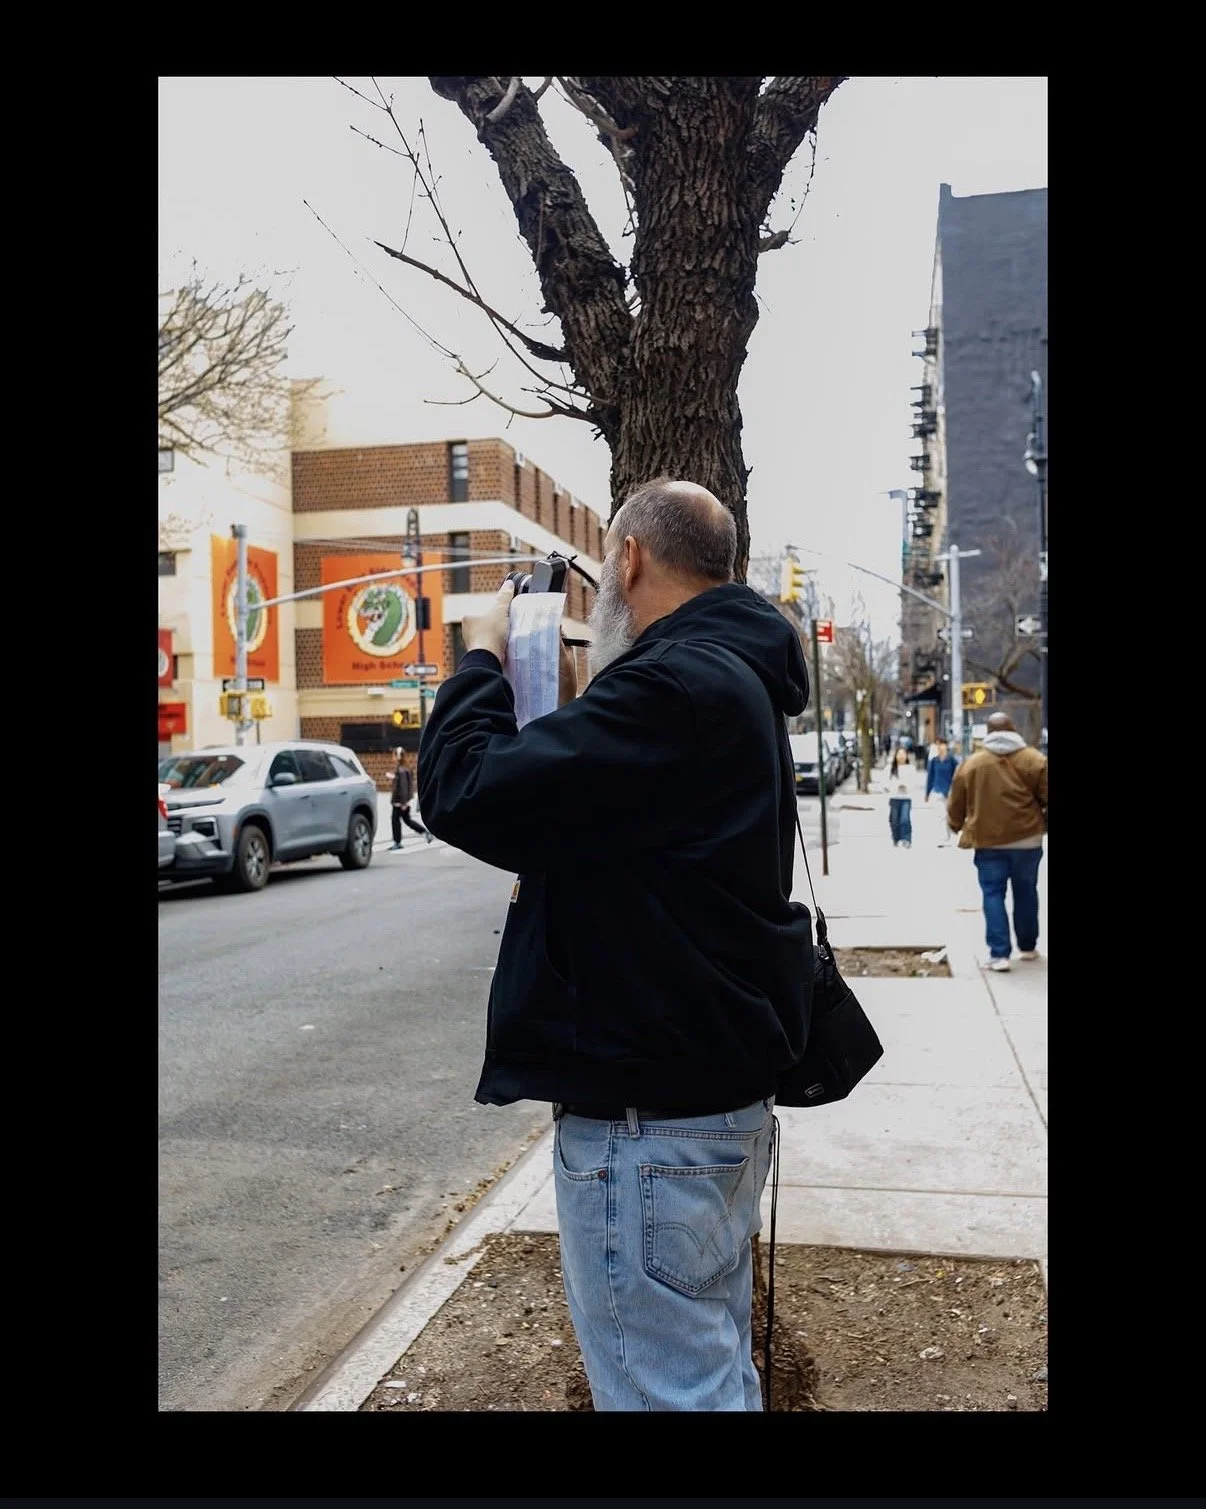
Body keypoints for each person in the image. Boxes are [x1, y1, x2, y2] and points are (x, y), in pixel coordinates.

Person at [418, 477, 813, 1412]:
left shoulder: (673, 686)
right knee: (707, 1379)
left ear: (629, 558)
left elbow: (467, 789)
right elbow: (607, 824)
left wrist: (479, 660)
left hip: (649, 1122)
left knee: (669, 1393)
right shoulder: (734, 680)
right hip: (702, 1103)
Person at [946, 711, 1048, 972]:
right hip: (1028, 840)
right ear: (1013, 729)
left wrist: (955, 825)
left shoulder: (972, 764)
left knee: (993, 893)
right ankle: (1027, 947)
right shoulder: (1035, 760)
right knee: (1027, 892)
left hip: (988, 841)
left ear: (988, 733)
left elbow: (956, 802)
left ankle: (999, 954)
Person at [390, 750, 432, 847]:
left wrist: (403, 803)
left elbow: (404, 787)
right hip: (403, 801)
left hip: (399, 802)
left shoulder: (400, 770)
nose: (393, 758)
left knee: (395, 820)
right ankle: (424, 832)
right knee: (407, 820)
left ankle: (397, 842)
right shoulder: (405, 769)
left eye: (394, 755)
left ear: (398, 757)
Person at [925, 737, 960, 845]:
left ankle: (951, 834)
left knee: (949, 815)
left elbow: (957, 776)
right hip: (937, 791)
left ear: (946, 746)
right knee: (940, 815)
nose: (940, 747)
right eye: (938, 745)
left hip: (949, 791)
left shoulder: (952, 760)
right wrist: (927, 793)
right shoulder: (934, 761)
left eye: (942, 744)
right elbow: (930, 777)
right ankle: (943, 837)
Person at [888, 783, 913, 847]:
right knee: (894, 821)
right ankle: (896, 839)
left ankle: (906, 839)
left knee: (905, 820)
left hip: (907, 797)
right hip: (893, 797)